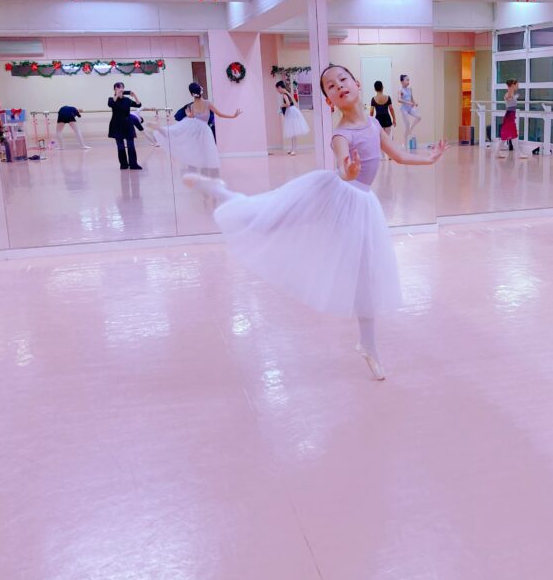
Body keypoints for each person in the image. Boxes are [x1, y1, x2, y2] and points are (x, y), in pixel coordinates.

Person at [182, 64, 448, 381]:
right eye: (331, 86)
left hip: (360, 204)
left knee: (365, 276)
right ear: (328, 101)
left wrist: (429, 159)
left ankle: (368, 346)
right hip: (333, 196)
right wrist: (349, 170)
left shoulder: (374, 124)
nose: (339, 86)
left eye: (343, 80)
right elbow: (343, 166)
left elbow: (399, 155)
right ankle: (223, 193)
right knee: (268, 220)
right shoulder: (340, 134)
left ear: (357, 83)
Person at [157, 82, 239, 177]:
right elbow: (219, 114)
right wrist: (233, 116)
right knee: (204, 154)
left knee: (199, 154)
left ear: (191, 94)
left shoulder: (192, 106)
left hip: (196, 133)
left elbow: (192, 119)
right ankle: (205, 175)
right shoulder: (206, 103)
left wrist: (189, 116)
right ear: (201, 91)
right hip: (204, 133)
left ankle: (201, 175)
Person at [107, 83, 142, 170]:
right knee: (120, 146)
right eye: (117, 88)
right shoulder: (111, 99)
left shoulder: (127, 100)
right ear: (114, 90)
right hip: (116, 125)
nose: (120, 89)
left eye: (121, 88)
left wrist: (134, 95)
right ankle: (123, 164)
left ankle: (133, 164)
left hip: (128, 124)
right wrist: (117, 95)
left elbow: (138, 105)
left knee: (131, 145)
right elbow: (111, 104)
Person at [276, 80, 309, 155]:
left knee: (293, 132)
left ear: (279, 87)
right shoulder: (287, 92)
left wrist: (282, 106)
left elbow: (288, 104)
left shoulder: (284, 94)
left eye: (277, 89)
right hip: (292, 110)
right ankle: (293, 149)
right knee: (293, 132)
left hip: (291, 111)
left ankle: (294, 150)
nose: (277, 91)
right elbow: (292, 102)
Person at [498, 79, 525, 158]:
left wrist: (515, 97)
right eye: (517, 85)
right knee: (512, 136)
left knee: (508, 136)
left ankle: (497, 153)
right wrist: (511, 91)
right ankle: (519, 154)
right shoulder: (509, 93)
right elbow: (508, 97)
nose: (518, 86)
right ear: (513, 85)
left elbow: (510, 100)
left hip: (511, 117)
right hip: (509, 117)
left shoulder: (511, 94)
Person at [369, 80, 396, 161]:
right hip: (387, 119)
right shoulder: (388, 97)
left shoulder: (373, 99)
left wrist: (370, 121)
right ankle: (390, 156)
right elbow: (391, 109)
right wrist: (394, 119)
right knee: (388, 138)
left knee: (380, 139)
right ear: (382, 87)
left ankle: (382, 156)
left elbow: (371, 112)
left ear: (375, 89)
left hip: (378, 120)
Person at [397, 73, 421, 148]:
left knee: (419, 117)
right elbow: (399, 100)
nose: (408, 81)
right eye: (407, 80)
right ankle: (404, 143)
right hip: (404, 109)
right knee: (406, 126)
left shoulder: (410, 89)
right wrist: (408, 103)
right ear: (402, 81)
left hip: (410, 108)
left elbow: (412, 98)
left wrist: (415, 103)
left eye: (408, 80)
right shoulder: (400, 90)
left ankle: (411, 128)